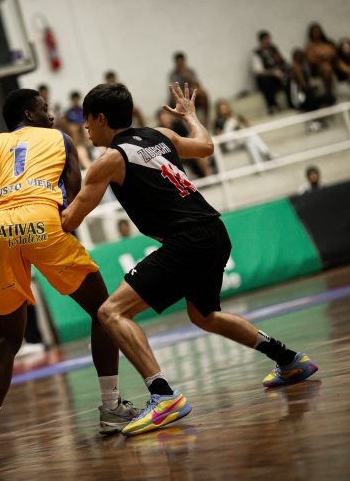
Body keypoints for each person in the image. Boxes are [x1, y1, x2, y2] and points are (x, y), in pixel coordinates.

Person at [61, 82, 318, 437]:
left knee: (111, 313)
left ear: (102, 118)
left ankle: (163, 396)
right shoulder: (160, 134)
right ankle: (290, 360)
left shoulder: (109, 161)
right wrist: (192, 117)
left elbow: (69, 221)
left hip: (186, 241)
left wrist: (25, 205)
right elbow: (206, 146)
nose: (85, 128)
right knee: (204, 315)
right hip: (214, 232)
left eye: (87, 120)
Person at [0, 88, 138, 464]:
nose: (51, 116)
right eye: (45, 109)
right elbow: (75, 197)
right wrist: (48, 212)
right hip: (44, 223)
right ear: (28, 113)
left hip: (1, 230)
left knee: (8, 338)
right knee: (104, 312)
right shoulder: (61, 139)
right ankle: (110, 408)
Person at [213, 99, 273, 171]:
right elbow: (220, 137)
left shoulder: (234, 115)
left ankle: (259, 167)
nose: (224, 111)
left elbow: (247, 123)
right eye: (222, 109)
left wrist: (242, 126)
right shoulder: (218, 121)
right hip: (229, 143)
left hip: (239, 139)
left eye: (225, 108)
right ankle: (266, 152)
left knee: (250, 141)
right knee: (249, 134)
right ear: (218, 110)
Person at [157, 108, 213, 178]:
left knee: (200, 151)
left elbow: (188, 136)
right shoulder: (159, 131)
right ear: (160, 120)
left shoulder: (177, 124)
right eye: (163, 119)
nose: (166, 120)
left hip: (185, 148)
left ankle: (208, 175)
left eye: (166, 117)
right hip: (174, 155)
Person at [288, 49, 335, 131]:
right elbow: (303, 85)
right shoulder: (296, 68)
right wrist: (312, 87)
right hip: (300, 99)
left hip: (301, 97)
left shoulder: (297, 67)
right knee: (328, 97)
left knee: (320, 97)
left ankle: (317, 120)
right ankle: (316, 121)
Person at [252, 30, 289, 114]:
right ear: (261, 41)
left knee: (290, 75)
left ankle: (293, 101)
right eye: (265, 40)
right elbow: (258, 71)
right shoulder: (256, 53)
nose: (267, 41)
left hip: (281, 74)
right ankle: (272, 106)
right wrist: (273, 72)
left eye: (268, 39)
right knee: (265, 80)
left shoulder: (275, 49)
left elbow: (286, 61)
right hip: (269, 78)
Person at [168, 53, 210, 125]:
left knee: (203, 94)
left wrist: (187, 76)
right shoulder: (173, 74)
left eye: (182, 62)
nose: (180, 64)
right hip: (179, 96)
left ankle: (206, 119)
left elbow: (197, 84)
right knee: (177, 93)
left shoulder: (190, 71)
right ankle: (182, 121)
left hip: (190, 94)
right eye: (178, 62)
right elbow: (173, 88)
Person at [305, 22, 337, 97]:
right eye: (315, 32)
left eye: (318, 31)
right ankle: (329, 93)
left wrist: (328, 56)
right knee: (326, 68)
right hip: (318, 68)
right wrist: (322, 57)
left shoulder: (328, 43)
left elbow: (334, 53)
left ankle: (329, 93)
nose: (317, 34)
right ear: (311, 34)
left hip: (332, 65)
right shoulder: (310, 46)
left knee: (327, 67)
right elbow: (311, 60)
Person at [64, 91, 93, 169]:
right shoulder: (68, 112)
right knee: (74, 128)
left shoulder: (83, 111)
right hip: (75, 134)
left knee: (84, 128)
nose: (75, 101)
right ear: (72, 100)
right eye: (74, 99)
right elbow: (65, 124)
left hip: (83, 129)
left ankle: (89, 142)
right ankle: (77, 144)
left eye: (77, 99)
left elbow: (88, 121)